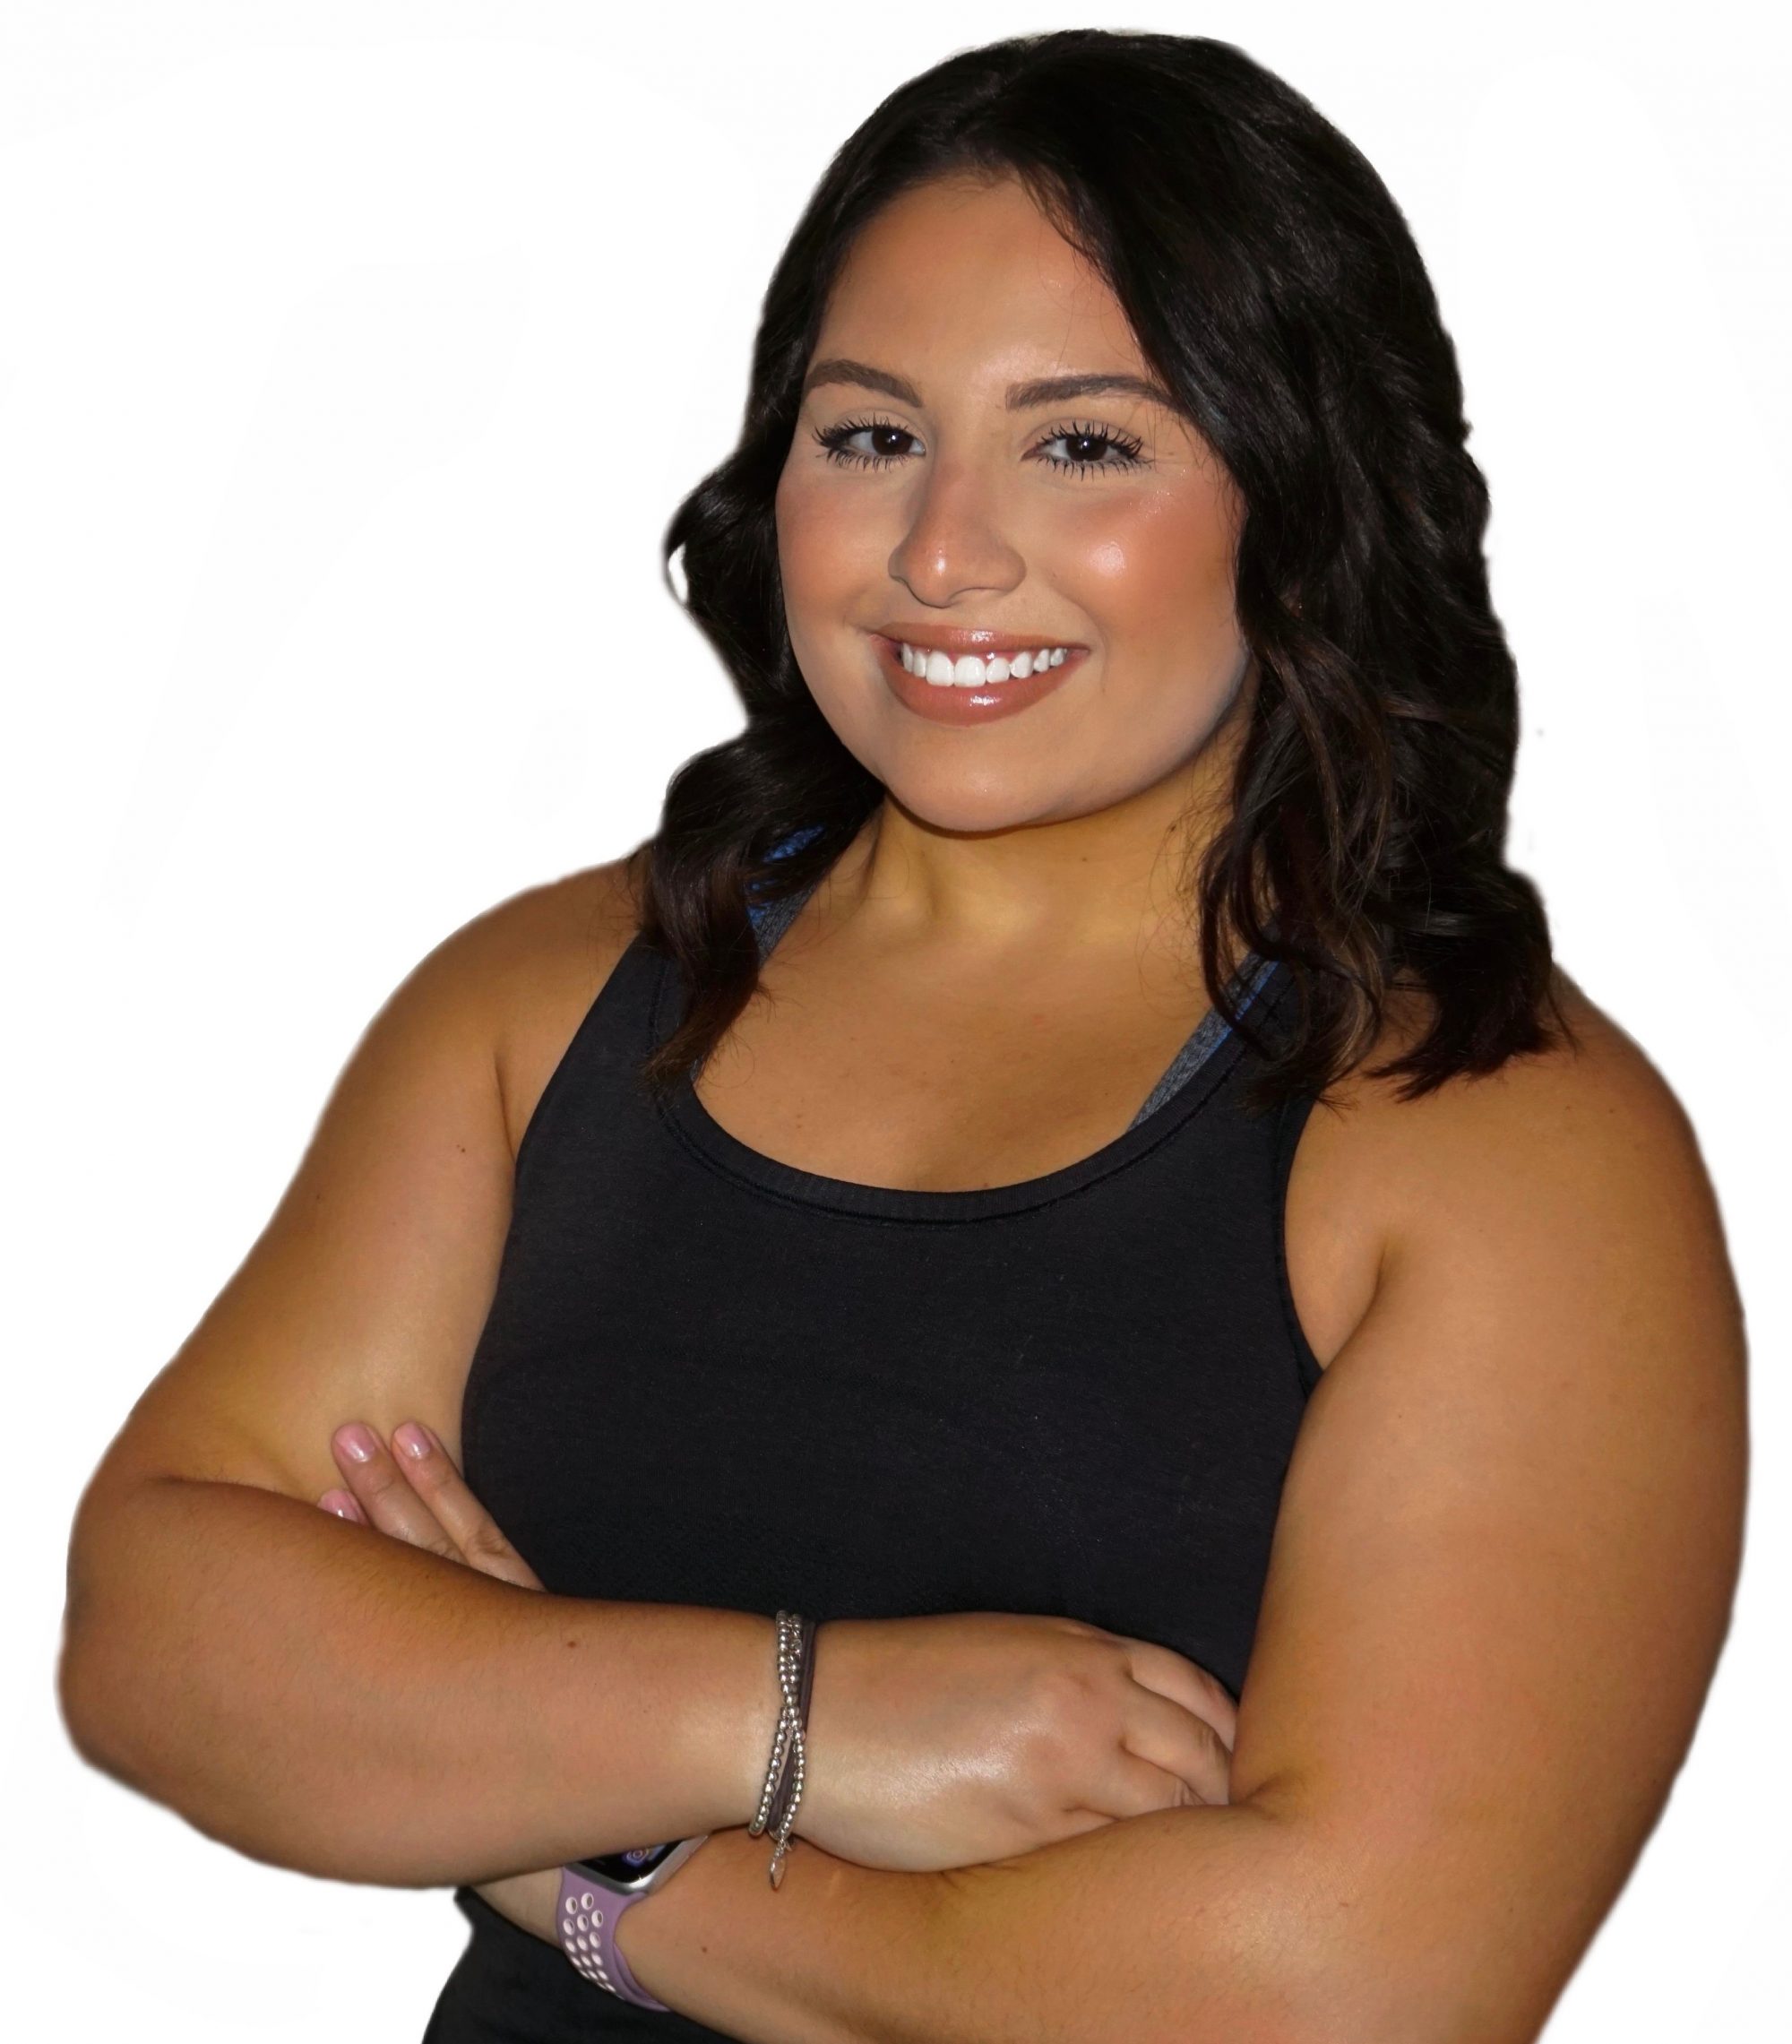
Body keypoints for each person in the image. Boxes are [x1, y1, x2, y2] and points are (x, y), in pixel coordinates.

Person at [57, 27, 1746, 2044]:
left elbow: (1341, 1991)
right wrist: (803, 1718)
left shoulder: (1487, 1133)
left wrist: (592, 1853)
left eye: (1085, 445)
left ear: (1302, 496)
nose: (942, 553)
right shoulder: (550, 1003)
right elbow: (160, 1629)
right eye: (868, 436)